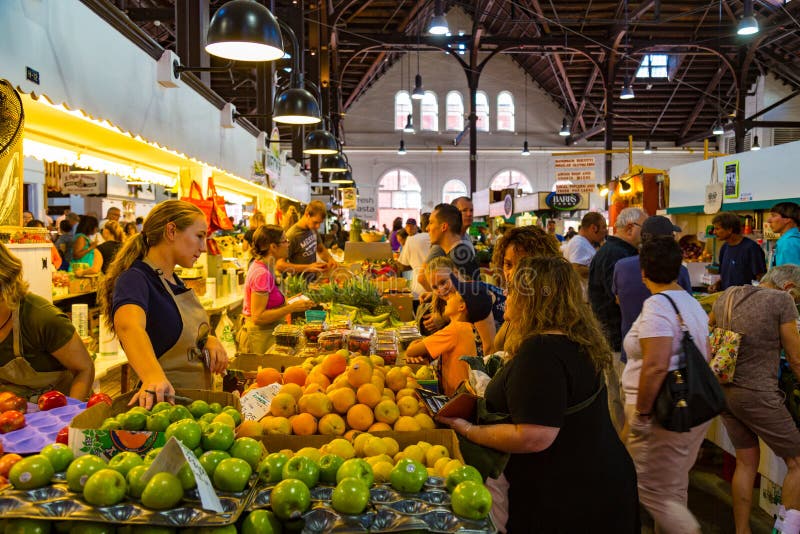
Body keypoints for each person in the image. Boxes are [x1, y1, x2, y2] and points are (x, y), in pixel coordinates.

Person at [438, 256, 639, 532]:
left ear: (532, 298)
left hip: (571, 502)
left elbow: (534, 436)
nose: (505, 294)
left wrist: (469, 430)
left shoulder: (541, 351)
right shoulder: (575, 340)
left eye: (512, 289)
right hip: (596, 486)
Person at [99, 200, 229, 407]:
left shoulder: (174, 281)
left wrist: (207, 339)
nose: (203, 248)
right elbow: (129, 326)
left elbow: (171, 330)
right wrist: (152, 376)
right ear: (171, 231)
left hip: (196, 406)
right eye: (199, 236)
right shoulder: (135, 278)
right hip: (163, 408)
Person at [623, 236, 711, 533]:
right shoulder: (691, 304)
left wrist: (643, 416)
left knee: (648, 488)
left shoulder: (658, 306)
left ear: (644, 271)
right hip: (684, 407)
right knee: (670, 487)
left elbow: (656, 364)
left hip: (660, 407)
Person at [710, 265, 800, 533]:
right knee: (797, 461)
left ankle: (742, 530)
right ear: (788, 288)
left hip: (725, 390)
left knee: (746, 462)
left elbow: (710, 329)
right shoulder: (781, 300)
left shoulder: (728, 294)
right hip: (757, 393)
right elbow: (795, 357)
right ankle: (786, 531)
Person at [0, 243, 94, 400]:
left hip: (61, 410)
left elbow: (84, 368)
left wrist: (70, 417)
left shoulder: (41, 318)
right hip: (15, 414)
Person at [405, 275, 489, 396]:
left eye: (454, 294)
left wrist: (415, 345)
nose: (448, 296)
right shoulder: (469, 328)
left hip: (453, 399)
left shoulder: (454, 330)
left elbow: (411, 351)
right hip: (466, 398)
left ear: (462, 306)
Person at [240, 225, 313, 353]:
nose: (288, 244)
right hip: (259, 338)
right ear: (273, 247)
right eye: (285, 241)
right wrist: (291, 308)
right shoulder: (262, 274)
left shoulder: (264, 266)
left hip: (265, 336)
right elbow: (258, 317)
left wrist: (294, 301)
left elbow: (269, 303)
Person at [490, 225, 562, 352]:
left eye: (522, 265)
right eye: (508, 264)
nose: (512, 273)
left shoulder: (549, 312)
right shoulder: (515, 305)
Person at [420, 256, 502, 356]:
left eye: (443, 282)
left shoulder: (473, 295)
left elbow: (490, 347)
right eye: (435, 287)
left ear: (455, 273)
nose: (440, 290)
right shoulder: (456, 295)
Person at [419, 203, 479, 288]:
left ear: (444, 227)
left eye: (431, 223)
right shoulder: (457, 253)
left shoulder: (458, 257)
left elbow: (467, 295)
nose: (427, 228)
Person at [277, 200, 337, 278]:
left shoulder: (312, 228)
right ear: (307, 215)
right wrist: (308, 267)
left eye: (320, 223)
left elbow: (321, 250)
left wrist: (330, 259)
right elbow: (279, 264)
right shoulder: (292, 235)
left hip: (313, 280)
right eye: (315, 222)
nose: (318, 226)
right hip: (300, 284)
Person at [711, 212, 766, 290]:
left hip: (745, 298)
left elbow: (761, 278)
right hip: (727, 297)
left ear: (730, 230)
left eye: (717, 229)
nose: (714, 232)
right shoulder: (724, 247)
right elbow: (726, 276)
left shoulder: (751, 248)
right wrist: (717, 284)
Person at [563, 212, 607, 283]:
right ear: (593, 228)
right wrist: (602, 270)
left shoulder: (582, 242)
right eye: (604, 227)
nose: (605, 231)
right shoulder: (579, 243)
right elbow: (576, 269)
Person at [397, 212, 432, 298]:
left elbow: (403, 266)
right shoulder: (441, 238)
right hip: (441, 289)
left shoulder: (411, 239)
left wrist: (416, 264)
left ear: (419, 225)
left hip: (419, 290)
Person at [769, 202, 800, 267]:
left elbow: (790, 276)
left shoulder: (789, 243)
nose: (769, 220)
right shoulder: (791, 240)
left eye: (774, 216)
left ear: (787, 219)